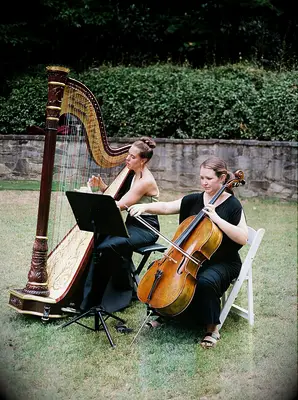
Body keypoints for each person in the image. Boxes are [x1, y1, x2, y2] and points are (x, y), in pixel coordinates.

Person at [128, 156, 248, 349]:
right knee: (158, 271)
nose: (204, 182)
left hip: (223, 261)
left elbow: (242, 237)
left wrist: (216, 218)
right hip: (190, 258)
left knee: (206, 281)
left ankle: (211, 329)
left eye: (208, 178)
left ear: (222, 177)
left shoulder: (233, 205)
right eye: (201, 177)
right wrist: (145, 206)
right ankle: (165, 313)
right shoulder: (194, 199)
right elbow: (167, 207)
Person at [77, 137, 160, 314]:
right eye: (128, 155)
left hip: (146, 229)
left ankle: (118, 294)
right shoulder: (132, 173)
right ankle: (90, 295)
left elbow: (119, 206)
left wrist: (89, 198)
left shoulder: (145, 181)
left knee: (108, 246)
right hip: (131, 224)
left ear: (143, 160)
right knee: (101, 240)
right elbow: (117, 199)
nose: (127, 159)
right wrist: (102, 187)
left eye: (132, 157)